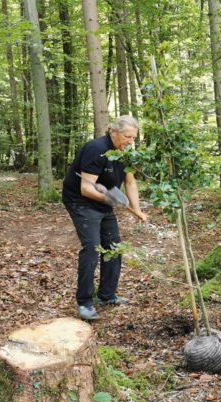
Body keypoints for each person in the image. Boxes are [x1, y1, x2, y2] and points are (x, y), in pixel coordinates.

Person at [62, 115, 148, 320]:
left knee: (114, 247)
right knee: (92, 247)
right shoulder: (96, 149)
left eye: (133, 138)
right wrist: (112, 200)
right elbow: (86, 188)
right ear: (113, 132)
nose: (130, 141)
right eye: (127, 136)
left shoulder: (126, 152)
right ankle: (84, 303)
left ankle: (107, 295)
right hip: (81, 201)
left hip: (104, 200)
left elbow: (130, 182)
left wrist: (137, 209)